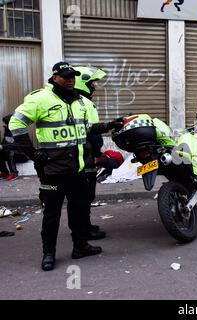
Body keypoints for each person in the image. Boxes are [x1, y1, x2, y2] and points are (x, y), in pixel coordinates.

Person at [8, 61, 122, 271]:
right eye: (65, 77)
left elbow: (86, 128)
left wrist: (108, 125)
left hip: (77, 170)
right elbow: (16, 123)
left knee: (78, 211)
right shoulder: (41, 98)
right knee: (52, 215)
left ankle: (80, 247)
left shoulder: (80, 101)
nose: (70, 80)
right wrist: (32, 153)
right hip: (53, 171)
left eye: (72, 77)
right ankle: (48, 254)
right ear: (54, 78)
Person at [74, 66, 123, 240]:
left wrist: (110, 125)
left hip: (84, 156)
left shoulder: (76, 101)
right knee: (85, 195)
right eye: (91, 83)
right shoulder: (83, 103)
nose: (93, 87)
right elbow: (92, 132)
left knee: (84, 195)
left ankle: (85, 226)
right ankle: (84, 230)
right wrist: (97, 155)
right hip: (86, 157)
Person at [0, 114, 28, 181]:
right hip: (11, 155)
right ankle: (4, 172)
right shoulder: (7, 132)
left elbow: (18, 146)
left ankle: (14, 173)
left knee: (10, 151)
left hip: (22, 155)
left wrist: (3, 146)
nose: (3, 125)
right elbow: (4, 144)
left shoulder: (19, 131)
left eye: (5, 123)